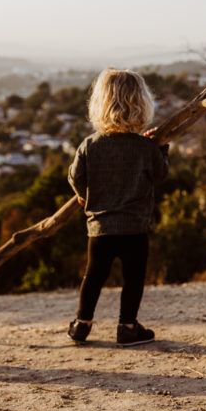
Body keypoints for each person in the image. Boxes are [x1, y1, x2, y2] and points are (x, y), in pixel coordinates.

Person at [67, 68, 169, 346]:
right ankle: (127, 327)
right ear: (141, 103)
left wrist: (82, 195)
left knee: (93, 276)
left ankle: (82, 324)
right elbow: (161, 175)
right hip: (135, 228)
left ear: (100, 103)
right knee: (133, 279)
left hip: (99, 228)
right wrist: (161, 149)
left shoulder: (89, 146)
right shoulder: (146, 148)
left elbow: (75, 178)